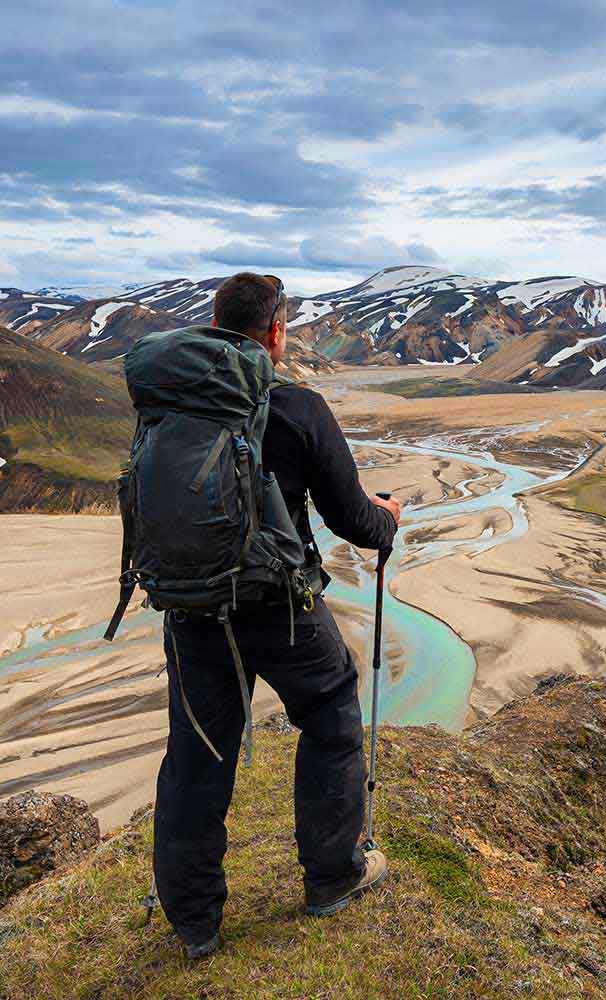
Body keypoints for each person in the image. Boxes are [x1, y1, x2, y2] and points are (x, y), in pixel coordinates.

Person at [153, 272, 401, 959]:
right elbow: (353, 518)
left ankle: (194, 922)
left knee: (197, 757)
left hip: (192, 608)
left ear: (213, 323)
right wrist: (389, 520)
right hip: (279, 606)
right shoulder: (296, 407)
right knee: (331, 717)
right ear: (273, 333)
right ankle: (330, 877)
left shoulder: (167, 405)